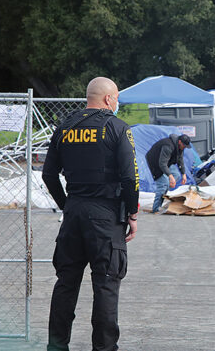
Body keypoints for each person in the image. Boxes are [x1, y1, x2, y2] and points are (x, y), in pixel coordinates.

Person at [42, 77, 140, 351]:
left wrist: (67, 205)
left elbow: (48, 174)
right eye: (117, 97)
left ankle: (56, 346)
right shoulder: (118, 128)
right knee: (106, 285)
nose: (117, 102)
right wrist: (132, 215)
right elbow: (130, 178)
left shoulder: (65, 127)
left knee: (66, 284)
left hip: (74, 212)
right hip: (106, 215)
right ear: (109, 99)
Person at [145, 133, 190, 212]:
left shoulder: (180, 147)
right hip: (155, 163)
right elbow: (162, 164)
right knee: (163, 185)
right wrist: (170, 176)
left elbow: (180, 160)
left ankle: (165, 190)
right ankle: (156, 209)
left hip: (165, 162)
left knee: (177, 175)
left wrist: (184, 174)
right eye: (184, 146)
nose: (185, 148)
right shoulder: (168, 146)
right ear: (180, 142)